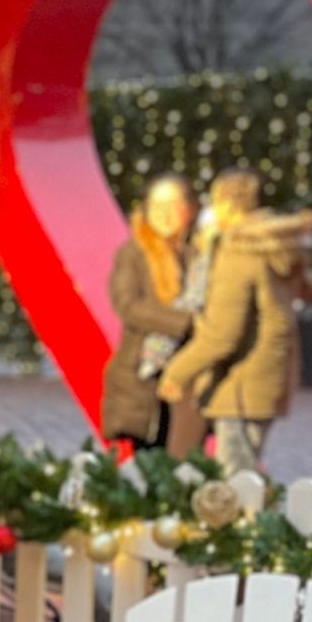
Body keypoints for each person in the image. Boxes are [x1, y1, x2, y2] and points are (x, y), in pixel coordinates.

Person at [158, 169, 312, 475]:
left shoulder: (239, 252)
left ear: (228, 206)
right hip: (267, 376)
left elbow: (224, 332)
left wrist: (177, 371)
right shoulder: (272, 245)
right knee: (245, 471)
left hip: (241, 385)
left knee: (236, 479)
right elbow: (308, 289)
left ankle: (253, 520)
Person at [101, 173, 200, 453]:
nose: (165, 215)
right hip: (142, 376)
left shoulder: (197, 256)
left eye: (174, 206)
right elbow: (128, 305)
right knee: (149, 460)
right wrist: (186, 323)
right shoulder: (133, 254)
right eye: (158, 207)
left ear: (190, 210)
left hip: (187, 378)